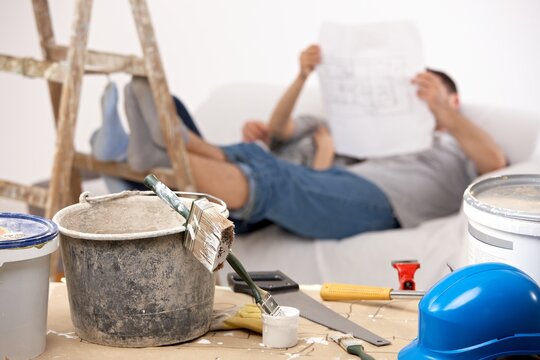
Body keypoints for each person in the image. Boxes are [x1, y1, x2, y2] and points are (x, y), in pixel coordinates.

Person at [113, 45, 507, 239]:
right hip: (348, 182)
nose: (420, 97)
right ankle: (158, 152)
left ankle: (153, 155)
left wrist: (444, 110)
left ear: (453, 100)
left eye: (430, 91)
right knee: (263, 163)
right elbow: (283, 130)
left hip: (385, 203)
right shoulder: (386, 134)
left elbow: (495, 164)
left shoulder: (459, 142)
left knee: (277, 177)